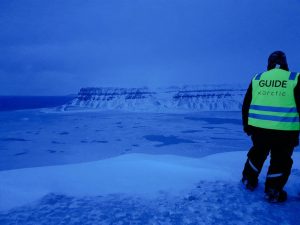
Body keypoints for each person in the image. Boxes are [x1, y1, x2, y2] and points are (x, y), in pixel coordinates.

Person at [241, 51, 300, 203]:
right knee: (280, 160)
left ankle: (248, 180)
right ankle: (273, 190)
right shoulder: (294, 78)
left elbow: (246, 104)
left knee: (257, 154)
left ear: (269, 64)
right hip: (285, 131)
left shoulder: (258, 78)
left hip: (259, 129)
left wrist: (247, 125)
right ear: (285, 63)